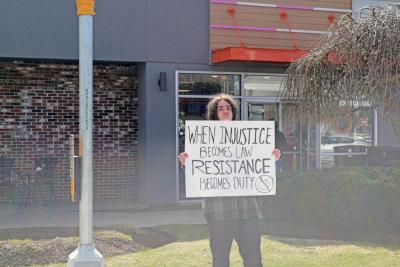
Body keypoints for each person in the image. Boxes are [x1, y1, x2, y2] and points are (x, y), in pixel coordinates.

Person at [179, 93, 281, 267]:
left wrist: (271, 158)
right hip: (219, 212)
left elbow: (259, 168)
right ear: (214, 114)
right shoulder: (203, 140)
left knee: (254, 260)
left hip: (248, 211)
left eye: (228, 108)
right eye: (220, 109)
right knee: (220, 261)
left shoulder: (249, 137)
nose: (225, 111)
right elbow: (197, 172)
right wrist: (186, 163)